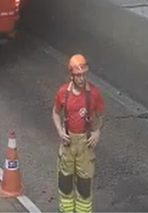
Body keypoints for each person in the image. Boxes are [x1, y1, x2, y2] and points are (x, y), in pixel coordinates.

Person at [52, 54, 104, 213]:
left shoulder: (94, 93)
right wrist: (60, 131)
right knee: (65, 184)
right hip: (68, 144)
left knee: (84, 186)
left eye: (84, 75)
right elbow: (55, 113)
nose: (82, 79)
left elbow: (100, 116)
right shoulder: (62, 93)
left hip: (85, 146)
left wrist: (97, 132)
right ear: (71, 76)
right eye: (78, 75)